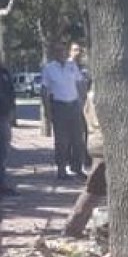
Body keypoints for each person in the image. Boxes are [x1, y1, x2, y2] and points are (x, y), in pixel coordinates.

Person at [41, 42, 86, 180]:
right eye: (58, 51)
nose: (61, 53)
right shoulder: (49, 69)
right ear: (54, 54)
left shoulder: (72, 66)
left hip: (74, 105)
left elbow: (80, 83)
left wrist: (82, 101)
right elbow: (44, 91)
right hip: (59, 106)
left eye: (63, 51)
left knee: (78, 139)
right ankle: (61, 170)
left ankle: (77, 168)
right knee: (61, 141)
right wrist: (47, 111)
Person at [64, 90, 105, 237]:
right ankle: (72, 228)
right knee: (94, 189)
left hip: (96, 140)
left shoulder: (90, 94)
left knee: (95, 188)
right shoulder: (103, 94)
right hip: (103, 144)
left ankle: (74, 227)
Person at [0, 60, 17, 196]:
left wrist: (12, 110)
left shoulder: (4, 72)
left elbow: (11, 92)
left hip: (3, 116)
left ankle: (3, 184)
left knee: (4, 151)